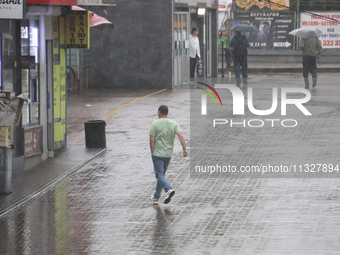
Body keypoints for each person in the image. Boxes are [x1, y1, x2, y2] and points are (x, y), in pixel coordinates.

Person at [149, 105, 188, 205]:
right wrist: (184, 149)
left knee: (159, 175)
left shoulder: (155, 123)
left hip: (157, 154)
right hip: (168, 154)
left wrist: (152, 151)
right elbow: (181, 136)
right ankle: (156, 198)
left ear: (159, 112)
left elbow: (152, 139)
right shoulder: (174, 124)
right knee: (161, 176)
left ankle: (168, 190)